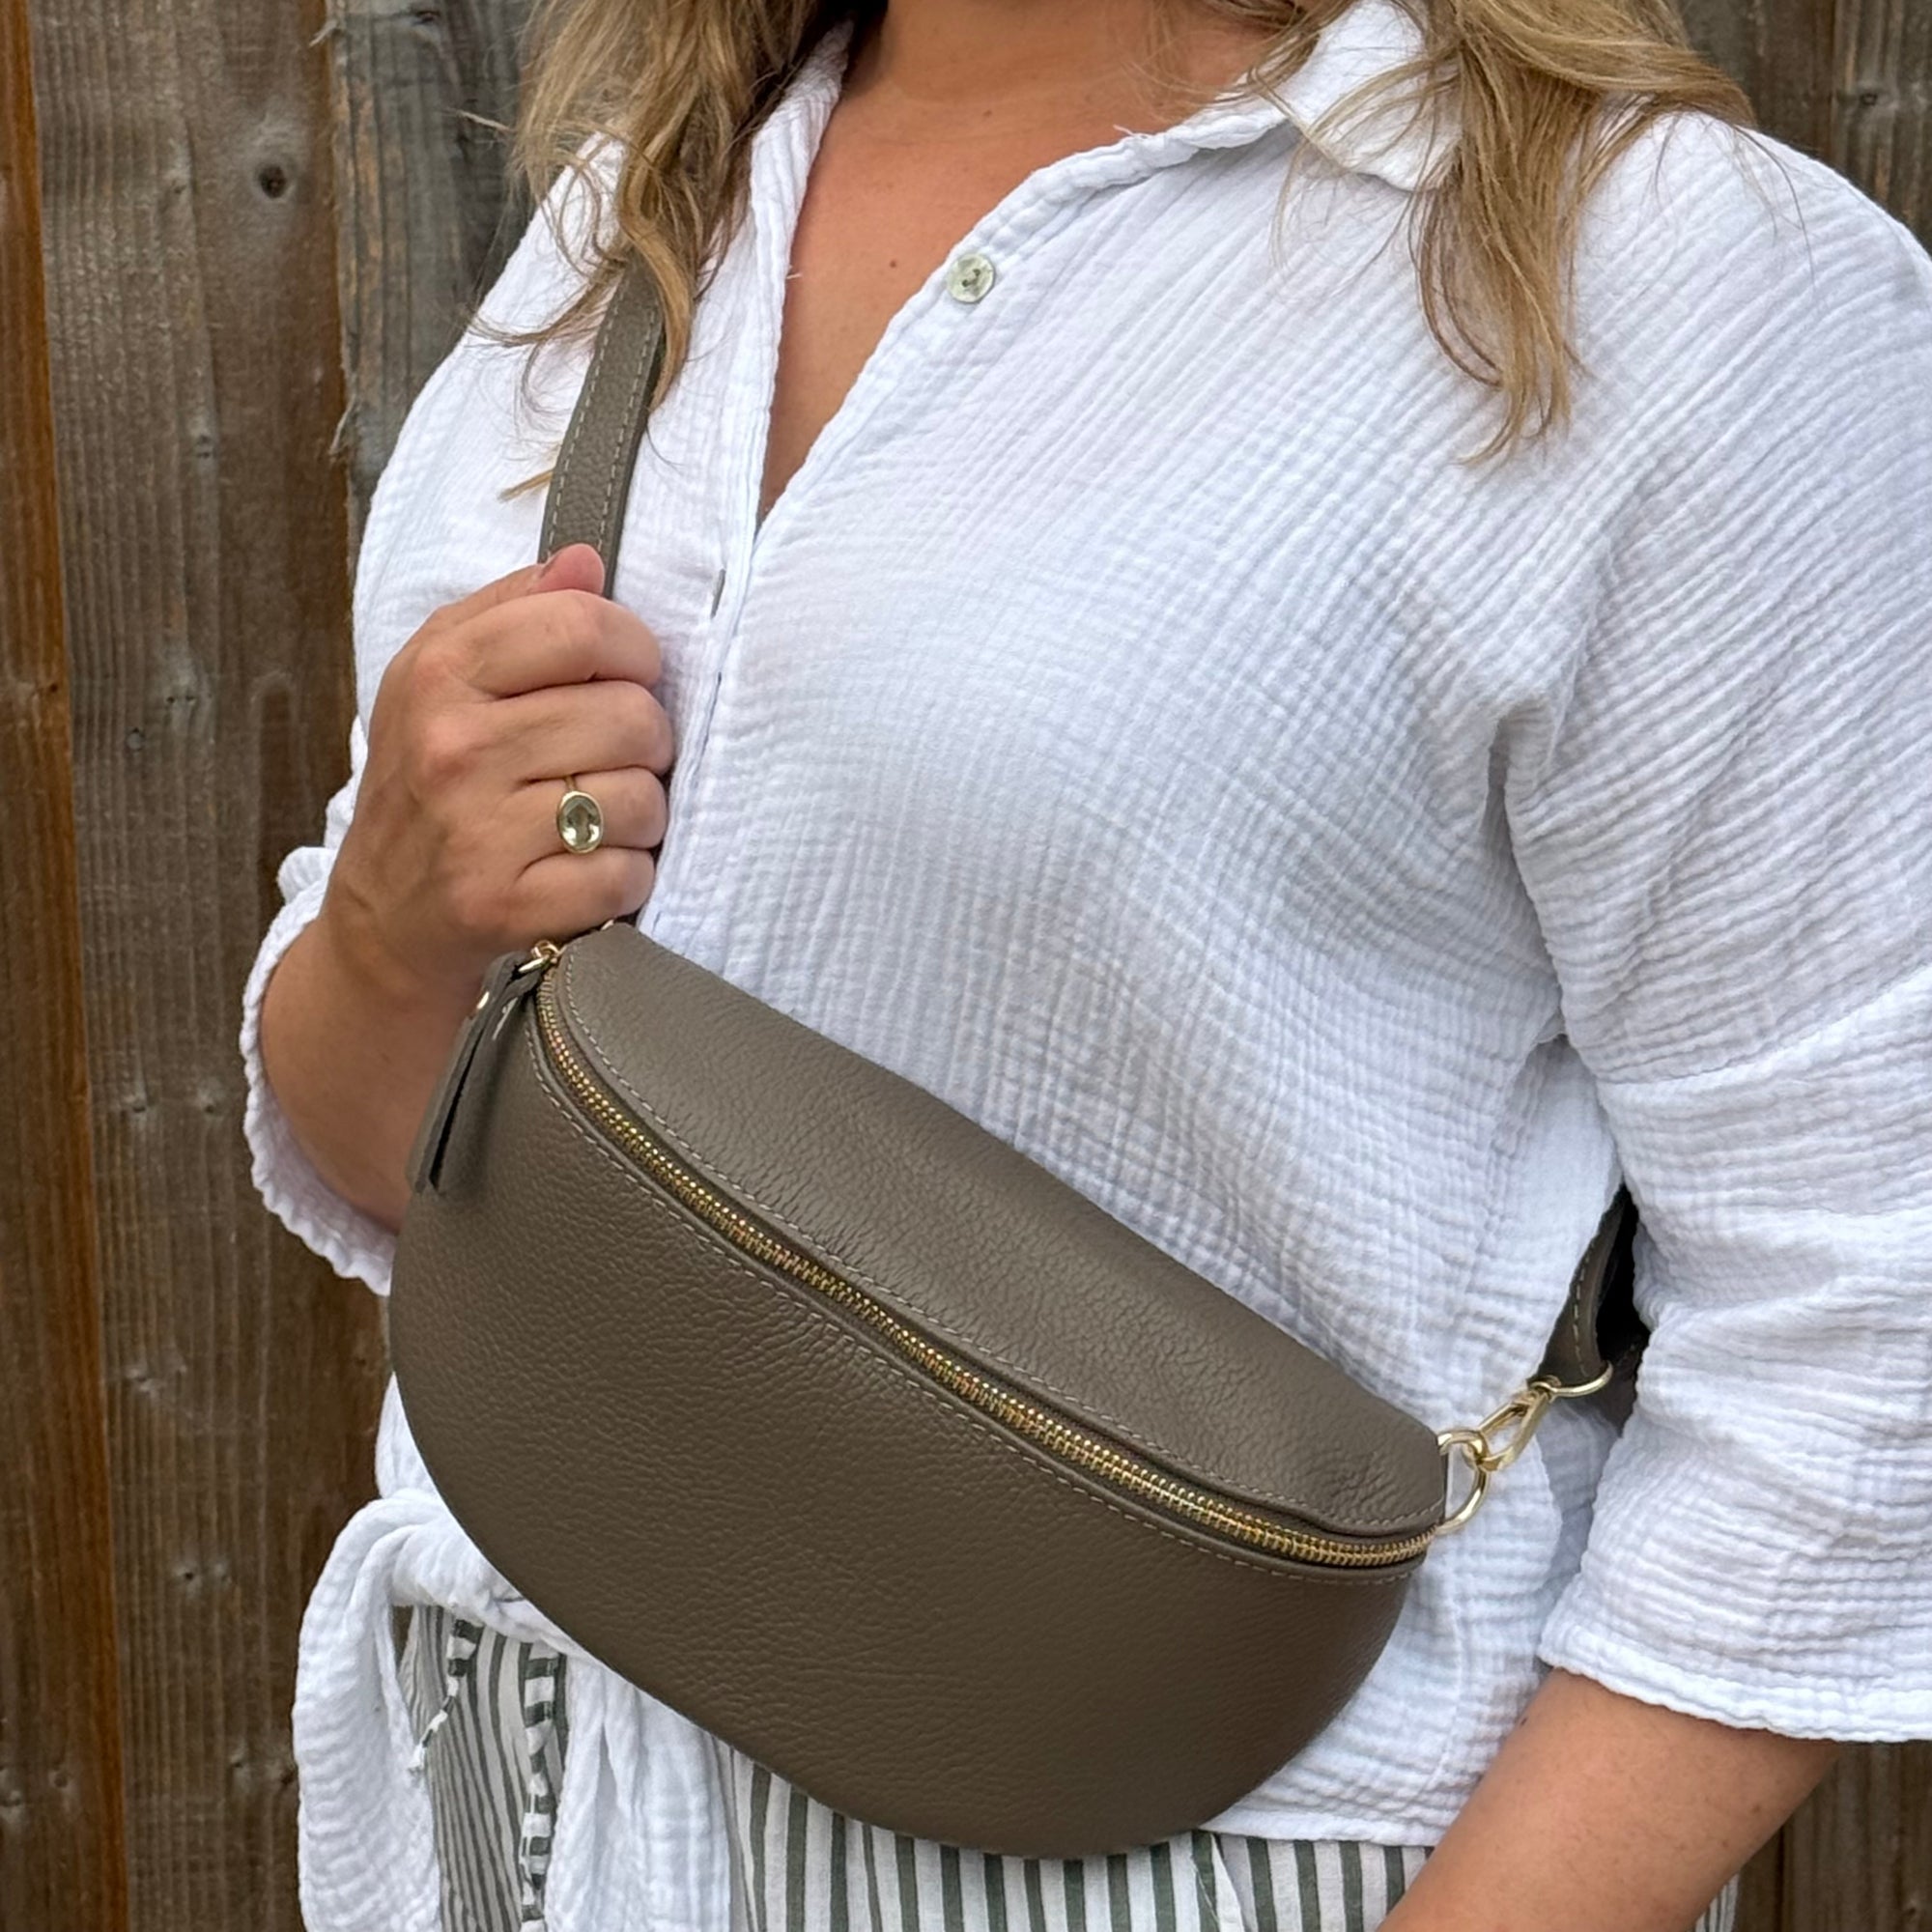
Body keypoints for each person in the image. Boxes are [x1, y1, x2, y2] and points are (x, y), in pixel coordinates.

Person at [242, 0, 1932, 1926]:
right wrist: (385, 925)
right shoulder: (639, 225)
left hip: (1226, 1853)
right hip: (529, 1792)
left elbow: (1874, 1303)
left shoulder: (1651, 273)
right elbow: (414, 1161)